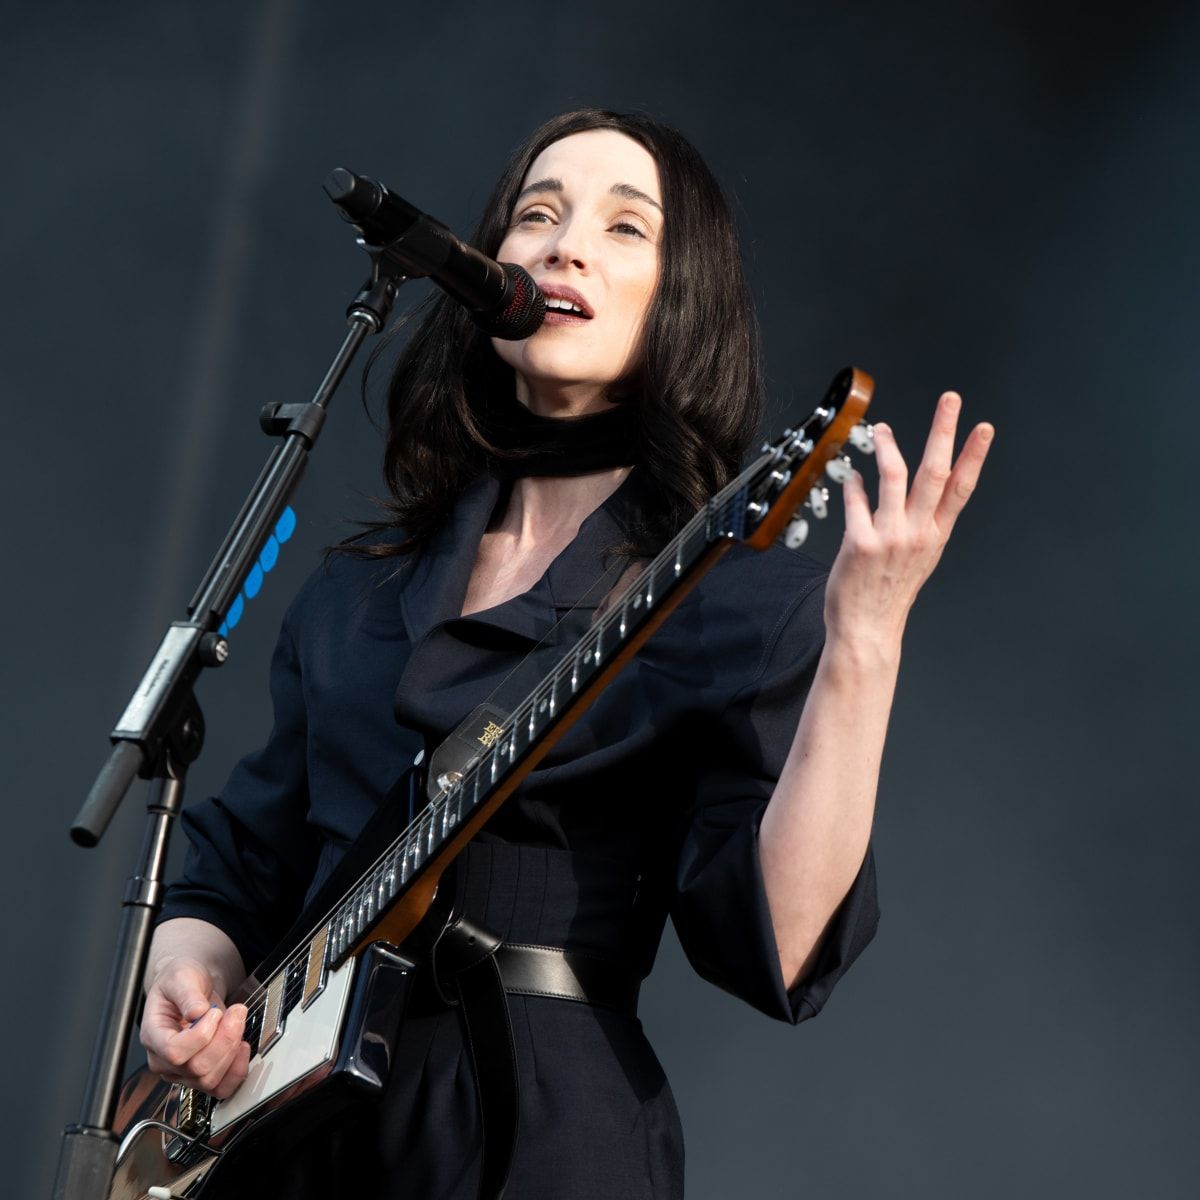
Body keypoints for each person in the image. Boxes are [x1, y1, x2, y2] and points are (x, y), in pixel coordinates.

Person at [139, 108, 993, 1198]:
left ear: (683, 299)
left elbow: (774, 944)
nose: (563, 245)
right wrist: (190, 973)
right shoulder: (362, 586)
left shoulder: (732, 595)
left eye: (624, 227)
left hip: (535, 1132)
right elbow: (247, 856)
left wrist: (866, 639)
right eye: (536, 215)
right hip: (294, 1139)